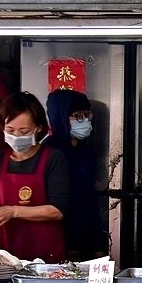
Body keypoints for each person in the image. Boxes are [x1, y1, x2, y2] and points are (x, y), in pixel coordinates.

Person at [0, 91, 70, 263]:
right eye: (10, 130)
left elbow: (57, 211)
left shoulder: (53, 158)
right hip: (6, 253)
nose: (16, 136)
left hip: (46, 253)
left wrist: (13, 211)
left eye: (24, 131)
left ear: (38, 128)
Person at [45, 89, 107, 261]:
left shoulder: (85, 152)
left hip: (86, 240)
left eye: (86, 115)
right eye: (77, 115)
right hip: (59, 240)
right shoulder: (49, 153)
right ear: (60, 117)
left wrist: (97, 245)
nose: (85, 121)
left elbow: (89, 198)